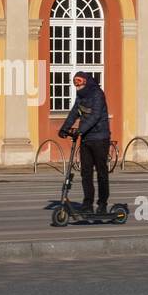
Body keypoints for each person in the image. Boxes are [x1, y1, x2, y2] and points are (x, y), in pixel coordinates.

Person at [58, 71, 111, 215]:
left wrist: (80, 130)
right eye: (75, 82)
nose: (76, 85)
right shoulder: (80, 96)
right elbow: (74, 112)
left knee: (101, 173)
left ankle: (102, 204)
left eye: (79, 82)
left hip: (100, 138)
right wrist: (64, 128)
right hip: (86, 139)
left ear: (86, 81)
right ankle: (87, 204)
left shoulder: (97, 94)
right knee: (85, 173)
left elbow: (95, 116)